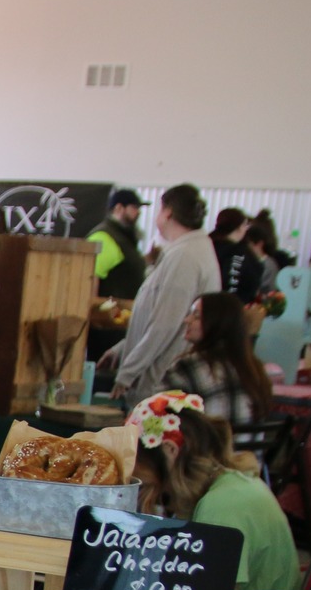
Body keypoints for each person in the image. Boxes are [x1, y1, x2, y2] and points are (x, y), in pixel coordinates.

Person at [127, 393, 298, 590]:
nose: (137, 475)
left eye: (139, 464)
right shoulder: (234, 483)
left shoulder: (220, 505)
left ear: (171, 451)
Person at [104, 183, 222, 405]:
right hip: (161, 375)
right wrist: (122, 349)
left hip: (162, 381)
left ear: (167, 212)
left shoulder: (185, 256)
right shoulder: (186, 251)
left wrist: (128, 372)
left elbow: (165, 323)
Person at [165, 293, 274, 427]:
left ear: (217, 324)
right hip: (248, 448)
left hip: (207, 447)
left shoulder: (188, 367)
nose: (187, 320)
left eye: (196, 316)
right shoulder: (256, 369)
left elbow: (158, 417)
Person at [89, 188, 148, 300]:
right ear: (119, 208)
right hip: (109, 313)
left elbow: (124, 266)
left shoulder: (122, 236)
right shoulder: (104, 237)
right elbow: (91, 277)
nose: (138, 212)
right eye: (134, 207)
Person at [211, 207, 264, 303]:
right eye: (245, 225)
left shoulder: (208, 245)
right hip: (235, 307)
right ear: (239, 227)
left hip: (207, 305)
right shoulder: (238, 252)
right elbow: (233, 281)